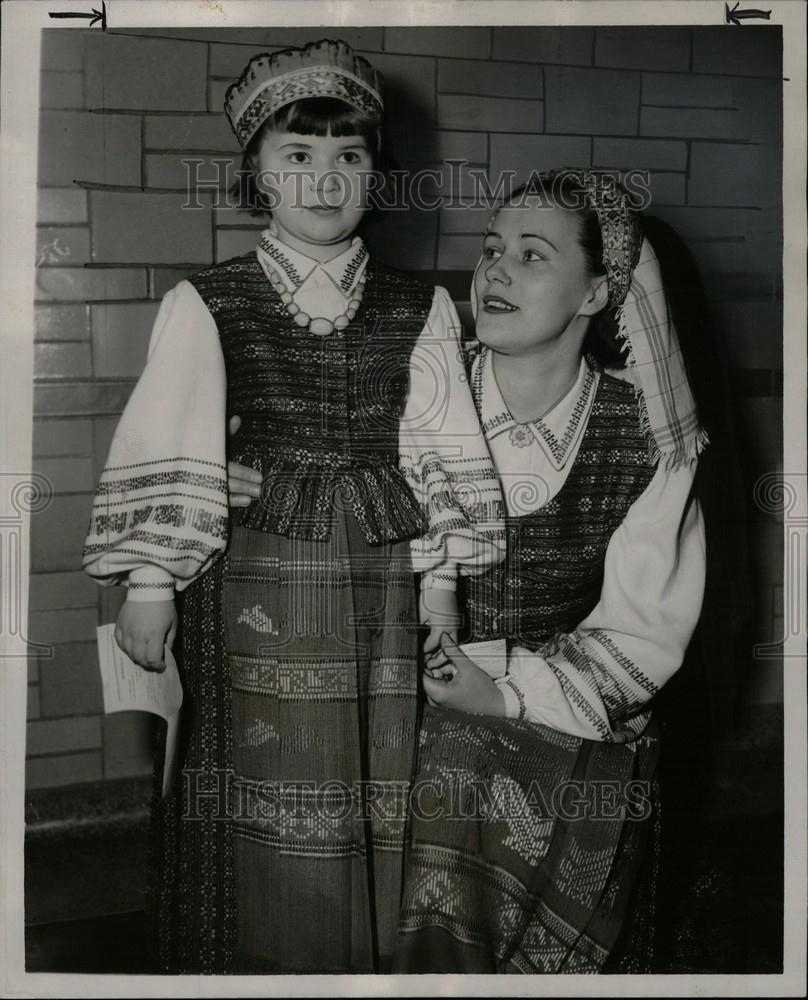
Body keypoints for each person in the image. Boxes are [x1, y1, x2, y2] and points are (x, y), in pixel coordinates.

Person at [82, 38, 502, 974]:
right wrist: (150, 580)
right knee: (268, 770)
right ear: (257, 178)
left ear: (377, 178)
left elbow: (441, 456)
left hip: (386, 586)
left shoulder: (422, 307)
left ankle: (369, 962)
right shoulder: (210, 301)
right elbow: (173, 439)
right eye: (297, 156)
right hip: (257, 580)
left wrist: (441, 595)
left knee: (379, 773)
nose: (324, 179)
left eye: (349, 158)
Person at [391, 169, 708, 973]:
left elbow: (644, 630)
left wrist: (502, 692)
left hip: (570, 716)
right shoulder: (417, 387)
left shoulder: (651, 434)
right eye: (492, 248)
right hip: (400, 704)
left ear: (598, 293)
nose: (494, 270)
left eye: (532, 255)